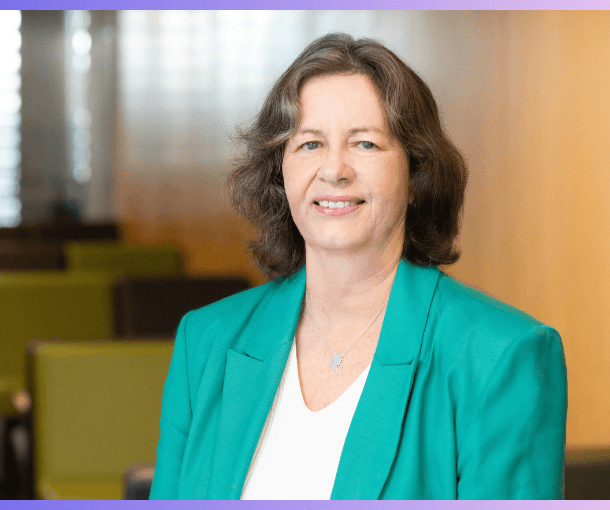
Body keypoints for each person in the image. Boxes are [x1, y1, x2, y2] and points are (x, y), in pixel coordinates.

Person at [149, 33, 567, 500]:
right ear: (280, 171)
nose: (334, 170)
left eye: (365, 144)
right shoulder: (206, 341)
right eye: (310, 144)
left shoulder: (500, 356)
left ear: (416, 173)